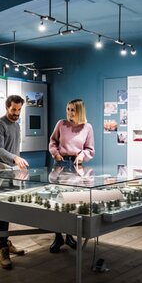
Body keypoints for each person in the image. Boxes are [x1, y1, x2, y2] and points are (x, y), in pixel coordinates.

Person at [48, 98, 95, 253]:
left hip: (77, 167)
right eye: (68, 109)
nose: (69, 113)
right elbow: (53, 141)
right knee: (57, 203)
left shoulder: (87, 127)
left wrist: (82, 155)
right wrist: (55, 153)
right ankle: (58, 237)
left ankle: (69, 236)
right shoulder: (61, 124)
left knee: (73, 204)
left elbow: (90, 149)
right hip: (60, 165)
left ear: (80, 111)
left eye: (72, 110)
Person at [0, 94, 29, 269]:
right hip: (1, 170)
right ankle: (2, 248)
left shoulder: (17, 125)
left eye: (19, 110)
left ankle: (6, 242)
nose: (16, 113)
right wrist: (15, 158)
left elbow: (16, 148)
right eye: (14, 109)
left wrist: (17, 162)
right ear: (7, 107)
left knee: (10, 209)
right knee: (1, 211)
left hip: (13, 171)